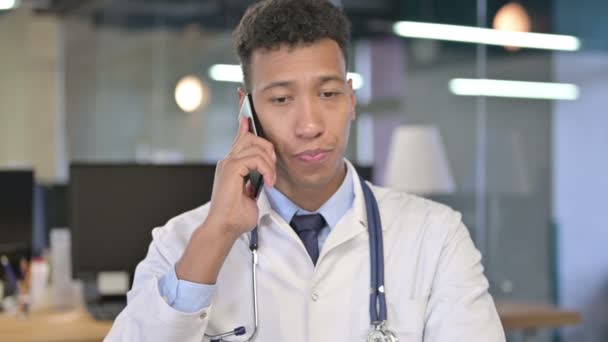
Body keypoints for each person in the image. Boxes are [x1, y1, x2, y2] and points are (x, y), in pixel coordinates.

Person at [106, 0, 505, 341]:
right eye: (281, 99)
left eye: (329, 94)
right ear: (247, 108)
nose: (310, 125)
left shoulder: (435, 238)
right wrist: (217, 235)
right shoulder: (182, 242)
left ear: (351, 98)